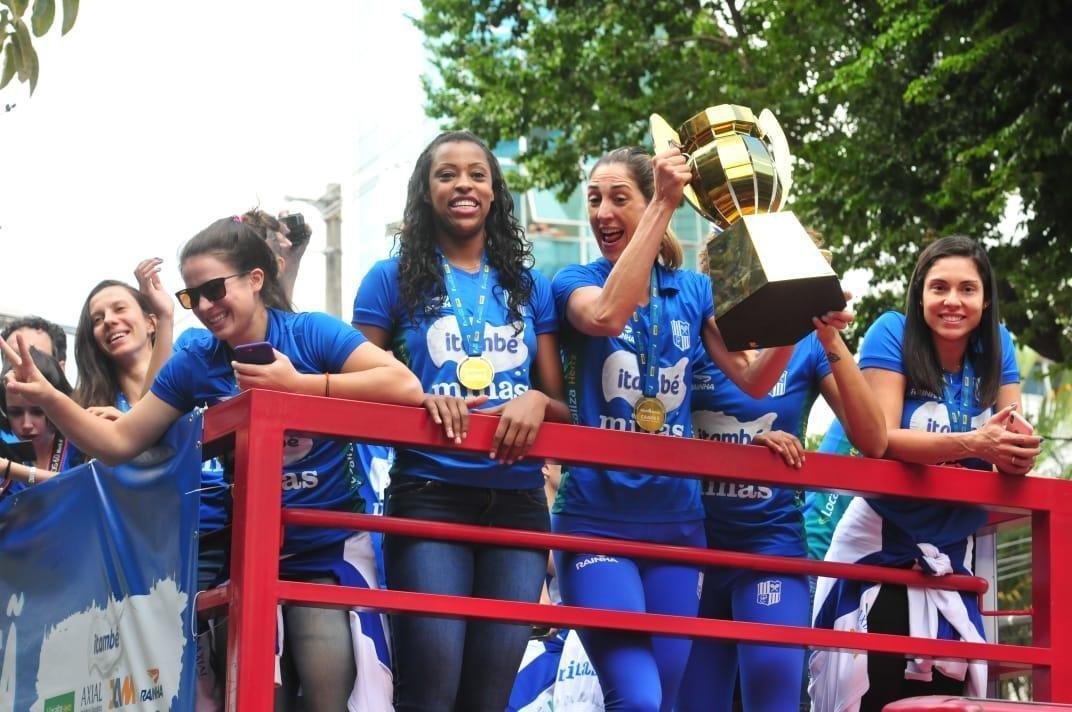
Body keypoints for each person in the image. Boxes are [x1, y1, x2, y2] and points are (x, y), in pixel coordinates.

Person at [1, 215, 424, 711]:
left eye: (214, 289)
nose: (204, 306)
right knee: (258, 697)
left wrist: (299, 387)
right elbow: (119, 441)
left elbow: (405, 387)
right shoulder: (196, 360)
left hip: (328, 548)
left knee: (326, 685)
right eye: (191, 296)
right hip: (248, 553)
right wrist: (49, 397)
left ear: (256, 279)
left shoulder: (310, 334)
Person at [549, 145, 845, 711]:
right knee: (636, 697)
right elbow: (609, 313)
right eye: (594, 200)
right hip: (596, 524)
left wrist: (801, 320)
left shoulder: (693, 290)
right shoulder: (572, 280)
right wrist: (663, 201)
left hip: (678, 532)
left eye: (619, 198)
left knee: (669, 700)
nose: (603, 212)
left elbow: (752, 380)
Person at [352, 130, 569, 711]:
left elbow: (563, 407)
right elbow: (350, 395)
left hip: (520, 501)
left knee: (488, 695)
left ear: (495, 192)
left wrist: (537, 402)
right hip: (429, 493)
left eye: (477, 174)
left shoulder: (530, 286)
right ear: (425, 193)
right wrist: (416, 398)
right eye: (446, 175)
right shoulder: (388, 278)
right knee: (432, 685)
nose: (463, 185)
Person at [810, 235, 1043, 711]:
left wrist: (1019, 452)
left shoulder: (999, 345)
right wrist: (975, 444)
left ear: (986, 299)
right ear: (919, 294)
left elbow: (1011, 443)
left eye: (967, 289)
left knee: (942, 699)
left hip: (955, 558)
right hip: (881, 547)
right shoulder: (891, 332)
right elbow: (879, 439)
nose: (952, 301)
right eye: (939, 288)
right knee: (871, 692)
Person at [678, 316, 885, 710]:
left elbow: (873, 440)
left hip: (772, 548)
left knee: (775, 698)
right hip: (693, 549)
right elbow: (661, 422)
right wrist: (741, 447)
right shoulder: (693, 325)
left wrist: (828, 335)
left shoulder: (806, 341)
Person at [0, 349, 78, 497]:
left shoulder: (81, 444)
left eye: (38, 411)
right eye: (15, 413)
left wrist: (10, 470)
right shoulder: (3, 447)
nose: (27, 424)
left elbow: (81, 485)